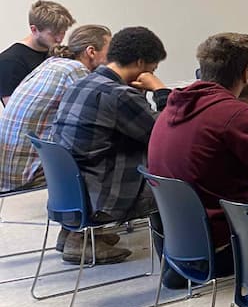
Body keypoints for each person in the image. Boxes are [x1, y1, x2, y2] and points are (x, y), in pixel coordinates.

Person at [146, 33, 248, 284]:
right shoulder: (234, 115)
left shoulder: (174, 105)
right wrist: (245, 108)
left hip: (178, 240)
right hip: (221, 244)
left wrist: (243, 102)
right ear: (247, 73)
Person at [49, 27, 171, 266]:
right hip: (103, 198)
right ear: (140, 63)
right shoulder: (118, 95)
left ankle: (74, 232)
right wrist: (160, 90)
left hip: (72, 191)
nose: (152, 73)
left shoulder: (83, 83)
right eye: (152, 69)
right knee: (180, 183)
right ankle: (181, 259)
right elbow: (166, 135)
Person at [1, 25, 111, 218]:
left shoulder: (53, 63)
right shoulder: (75, 71)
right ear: (91, 51)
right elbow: (102, 115)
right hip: (26, 174)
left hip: (9, 167)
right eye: (109, 51)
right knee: (102, 155)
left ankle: (78, 234)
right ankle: (85, 232)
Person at [0, 0, 75, 104]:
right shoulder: (9, 61)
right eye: (53, 34)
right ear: (34, 29)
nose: (59, 39)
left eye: (63, 32)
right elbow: (14, 111)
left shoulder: (58, 54)